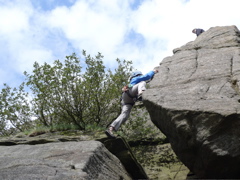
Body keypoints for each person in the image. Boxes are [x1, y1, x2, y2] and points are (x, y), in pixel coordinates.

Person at [105, 69, 158, 138]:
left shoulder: (132, 82)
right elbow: (146, 76)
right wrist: (153, 71)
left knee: (124, 115)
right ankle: (141, 94)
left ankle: (111, 128)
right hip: (130, 94)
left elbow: (131, 86)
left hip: (126, 99)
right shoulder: (136, 78)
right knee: (142, 82)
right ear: (138, 75)